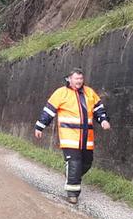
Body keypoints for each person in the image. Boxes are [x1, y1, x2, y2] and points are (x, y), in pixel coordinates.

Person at [33, 68, 111, 204]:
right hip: (69, 137)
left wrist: (103, 120)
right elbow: (48, 112)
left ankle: (71, 175)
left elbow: (98, 109)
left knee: (87, 163)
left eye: (81, 79)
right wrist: (40, 126)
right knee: (75, 163)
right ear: (69, 79)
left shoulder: (89, 92)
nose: (79, 81)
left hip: (87, 138)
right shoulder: (61, 93)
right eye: (76, 79)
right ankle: (72, 194)